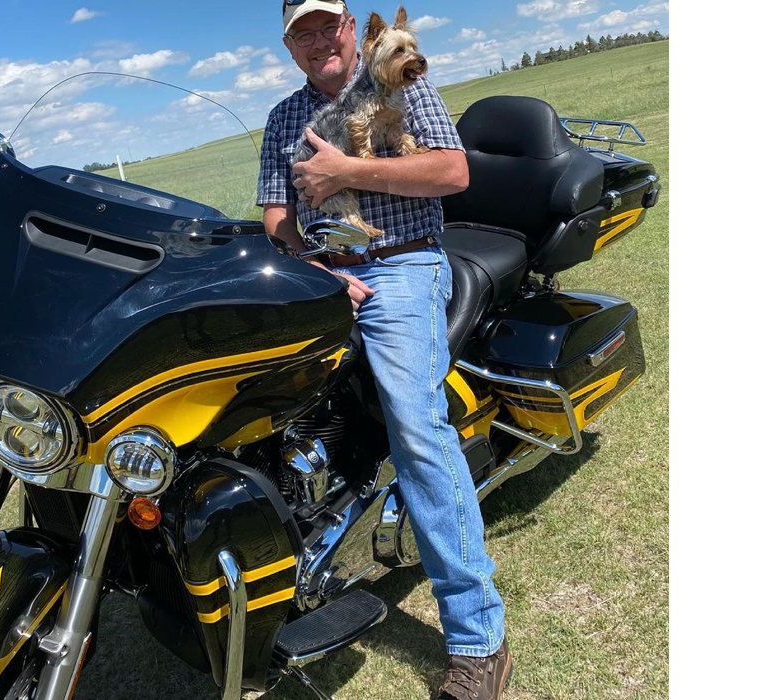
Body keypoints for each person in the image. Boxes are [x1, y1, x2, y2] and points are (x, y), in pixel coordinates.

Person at [256, 2, 511, 699]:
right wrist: (308, 257)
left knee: (415, 426)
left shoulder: (402, 83)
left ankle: (478, 640)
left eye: (327, 27)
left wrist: (346, 174)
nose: (317, 43)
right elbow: (276, 212)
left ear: (351, 30)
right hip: (322, 272)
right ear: (290, 45)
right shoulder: (283, 118)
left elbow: (452, 173)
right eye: (300, 34)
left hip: (402, 264)